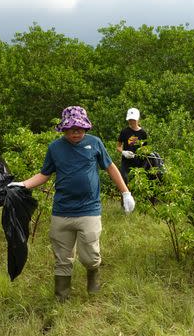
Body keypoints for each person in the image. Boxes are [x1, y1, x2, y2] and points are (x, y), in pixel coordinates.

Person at [8, 106, 135, 302]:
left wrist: (125, 192)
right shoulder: (55, 148)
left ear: (86, 128)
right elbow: (44, 174)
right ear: (64, 129)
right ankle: (62, 297)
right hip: (62, 211)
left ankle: (93, 277)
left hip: (89, 210)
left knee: (90, 256)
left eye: (80, 128)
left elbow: (110, 167)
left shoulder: (95, 143)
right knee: (62, 257)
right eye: (72, 128)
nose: (76, 132)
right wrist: (22, 185)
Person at [116, 107, 148, 186]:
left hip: (139, 163)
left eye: (133, 120)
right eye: (130, 120)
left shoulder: (143, 133)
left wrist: (140, 153)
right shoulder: (124, 132)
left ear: (138, 119)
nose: (132, 122)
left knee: (138, 183)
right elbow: (118, 147)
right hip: (126, 162)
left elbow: (146, 148)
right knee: (124, 181)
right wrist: (124, 152)